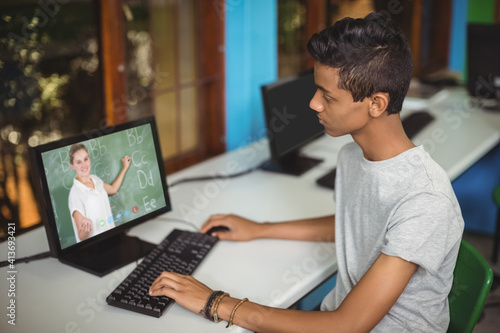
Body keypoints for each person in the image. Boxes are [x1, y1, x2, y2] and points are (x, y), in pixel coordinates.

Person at [149, 12, 464, 332]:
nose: (314, 103)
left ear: (377, 104)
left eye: (327, 96)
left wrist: (215, 303)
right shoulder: (353, 156)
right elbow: (357, 225)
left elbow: (346, 326)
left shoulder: (425, 200)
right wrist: (260, 228)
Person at [68, 143, 131, 242]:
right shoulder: (75, 193)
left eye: (86, 159)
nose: (84, 165)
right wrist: (86, 229)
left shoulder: (95, 179)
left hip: (112, 238)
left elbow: (113, 189)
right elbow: (81, 235)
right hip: (96, 248)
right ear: (72, 166)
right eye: (78, 162)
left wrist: (124, 168)